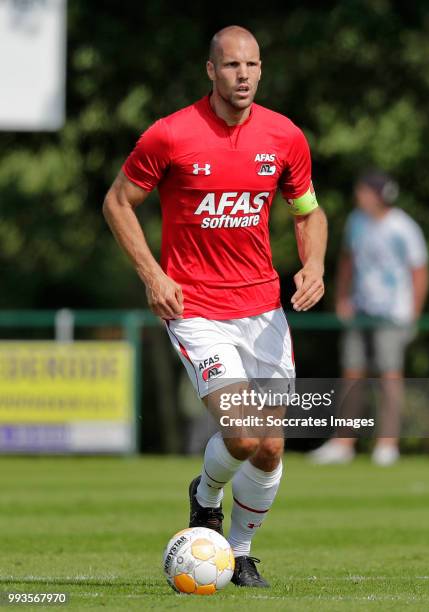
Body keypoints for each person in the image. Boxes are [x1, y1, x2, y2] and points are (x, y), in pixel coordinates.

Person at [103, 25, 327, 587]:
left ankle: (240, 549)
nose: (243, 75)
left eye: (252, 65)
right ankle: (205, 497)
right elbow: (117, 202)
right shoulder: (171, 135)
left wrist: (314, 264)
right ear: (211, 70)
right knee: (245, 432)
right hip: (197, 308)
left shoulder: (284, 136)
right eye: (231, 66)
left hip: (263, 309)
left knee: (271, 448)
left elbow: (308, 211)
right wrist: (153, 275)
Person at [310, 170, 429, 466]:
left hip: (393, 314)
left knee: (389, 377)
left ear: (378, 195)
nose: (359, 196)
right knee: (352, 374)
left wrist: (413, 313)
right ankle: (343, 442)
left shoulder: (403, 227)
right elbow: (347, 261)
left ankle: (387, 444)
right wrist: (341, 299)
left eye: (364, 191)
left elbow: (419, 271)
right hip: (361, 310)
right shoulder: (356, 221)